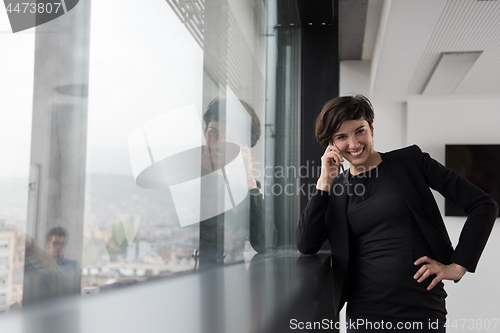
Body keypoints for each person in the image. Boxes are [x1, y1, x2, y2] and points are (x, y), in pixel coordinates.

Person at [296, 95, 498, 332]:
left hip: (420, 308)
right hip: (364, 313)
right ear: (331, 144)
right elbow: (306, 244)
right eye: (342, 137)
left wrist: (458, 265)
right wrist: (324, 181)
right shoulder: (335, 188)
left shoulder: (409, 161)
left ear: (371, 128)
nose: (353, 143)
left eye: (359, 131)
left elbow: (484, 205)